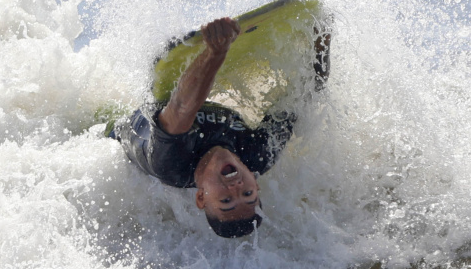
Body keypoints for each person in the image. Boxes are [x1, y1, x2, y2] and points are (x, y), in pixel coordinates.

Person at [111, 15, 330, 238]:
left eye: (226, 201)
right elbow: (302, 96)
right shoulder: (261, 153)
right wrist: (321, 39)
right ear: (255, 183)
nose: (235, 188)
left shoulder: (172, 163)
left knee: (174, 111)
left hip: (125, 130)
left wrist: (216, 52)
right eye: (247, 193)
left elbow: (181, 106)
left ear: (201, 197)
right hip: (192, 101)